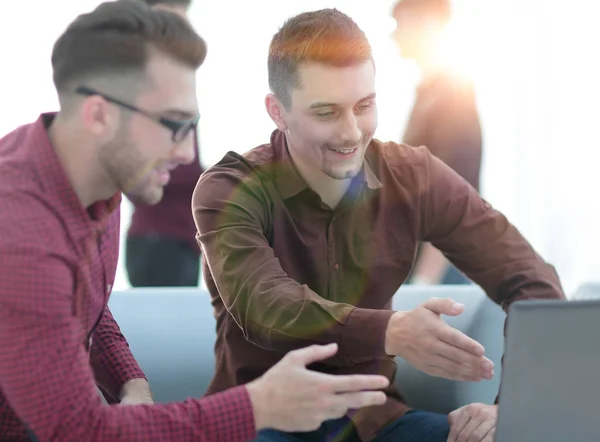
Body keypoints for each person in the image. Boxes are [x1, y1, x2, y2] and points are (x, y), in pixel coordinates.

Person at [0, 2, 390, 441]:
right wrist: (258, 405)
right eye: (174, 125)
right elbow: (80, 430)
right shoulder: (20, 236)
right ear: (99, 115)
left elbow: (81, 300)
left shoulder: (91, 178)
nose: (187, 154)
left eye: (194, 125)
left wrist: (131, 380)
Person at [192, 8, 565, 442]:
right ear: (278, 111)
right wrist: (389, 330)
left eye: (364, 106)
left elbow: (534, 282)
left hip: (374, 423)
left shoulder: (414, 176)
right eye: (327, 112)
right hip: (262, 423)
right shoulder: (229, 188)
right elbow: (265, 306)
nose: (352, 132)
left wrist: (512, 409)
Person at [392, 0, 483, 286]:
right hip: (426, 264)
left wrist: (424, 282)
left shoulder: (452, 94)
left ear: (428, 23)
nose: (394, 35)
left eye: (401, 24)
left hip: (443, 269)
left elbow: (454, 195)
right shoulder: (427, 96)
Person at [125, 0, 204, 287]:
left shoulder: (179, 86)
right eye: (170, 26)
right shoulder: (137, 90)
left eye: (183, 25)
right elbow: (135, 169)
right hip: (158, 240)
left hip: (180, 238)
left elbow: (186, 161)